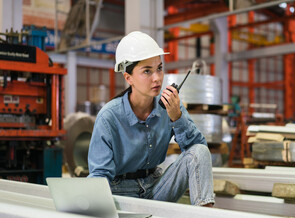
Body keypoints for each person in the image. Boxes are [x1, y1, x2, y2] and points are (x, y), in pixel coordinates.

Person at [87, 31, 215, 207]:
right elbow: (99, 176)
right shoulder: (109, 117)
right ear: (128, 78)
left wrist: (177, 118)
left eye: (159, 68)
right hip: (120, 194)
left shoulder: (170, 106)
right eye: (147, 71)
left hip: (156, 187)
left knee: (199, 151)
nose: (157, 78)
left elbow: (198, 151)